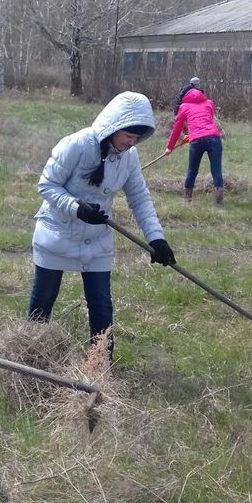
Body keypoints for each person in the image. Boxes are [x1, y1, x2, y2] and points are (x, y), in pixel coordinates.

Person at [27, 91, 176, 360]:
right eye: (127, 136)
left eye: (136, 139)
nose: (131, 143)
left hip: (96, 241)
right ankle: (31, 358)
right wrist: (76, 208)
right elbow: (46, 185)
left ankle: (100, 366)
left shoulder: (129, 157)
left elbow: (140, 199)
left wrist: (156, 239)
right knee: (42, 304)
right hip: (56, 234)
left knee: (101, 306)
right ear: (113, 127)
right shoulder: (77, 144)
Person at [164, 86, 224, 204]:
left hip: (196, 140)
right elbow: (207, 121)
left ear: (185, 96)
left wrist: (169, 147)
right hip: (214, 138)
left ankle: (187, 201)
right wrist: (190, 135)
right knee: (216, 169)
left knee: (192, 170)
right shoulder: (209, 103)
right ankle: (219, 201)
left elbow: (177, 129)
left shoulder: (184, 106)